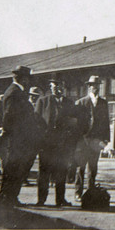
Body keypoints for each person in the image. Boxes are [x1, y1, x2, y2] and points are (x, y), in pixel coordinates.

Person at [0, 65, 38, 207]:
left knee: (15, 171)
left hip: (17, 140)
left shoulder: (16, 91)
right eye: (27, 78)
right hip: (15, 141)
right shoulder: (14, 93)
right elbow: (8, 117)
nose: (28, 81)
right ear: (23, 79)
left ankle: (11, 198)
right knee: (11, 171)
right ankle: (5, 199)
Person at [35, 78, 79, 207]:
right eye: (54, 87)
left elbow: (74, 123)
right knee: (44, 172)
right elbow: (36, 123)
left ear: (64, 88)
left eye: (59, 86)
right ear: (50, 88)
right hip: (46, 144)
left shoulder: (69, 104)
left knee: (61, 172)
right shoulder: (43, 102)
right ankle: (41, 200)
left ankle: (60, 199)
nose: (57, 89)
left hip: (63, 145)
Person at [74, 75, 110, 202]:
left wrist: (106, 141)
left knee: (93, 168)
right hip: (83, 141)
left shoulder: (103, 103)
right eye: (93, 85)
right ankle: (78, 192)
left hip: (96, 142)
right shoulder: (81, 102)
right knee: (80, 168)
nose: (96, 88)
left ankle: (90, 192)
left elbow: (106, 122)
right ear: (89, 87)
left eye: (98, 85)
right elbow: (76, 125)